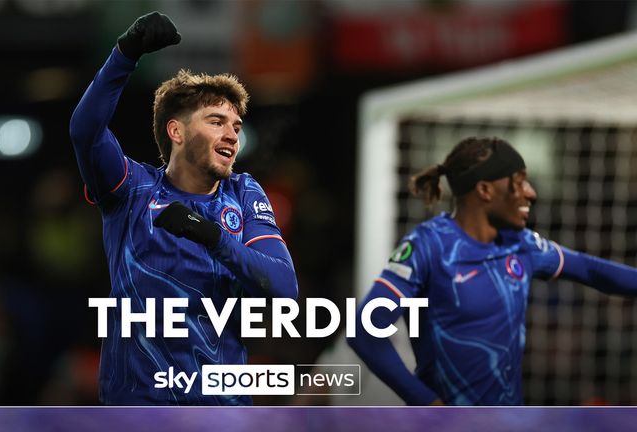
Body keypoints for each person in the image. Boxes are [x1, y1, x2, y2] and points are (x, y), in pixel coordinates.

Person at [69, 12, 298, 405]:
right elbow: (85, 130)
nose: (231, 134)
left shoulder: (243, 194)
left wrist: (211, 236)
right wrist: (125, 53)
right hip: (138, 409)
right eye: (216, 121)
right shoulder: (132, 189)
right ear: (176, 131)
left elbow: (284, 288)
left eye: (236, 126)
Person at [348, 136, 637, 406]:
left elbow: (591, 269)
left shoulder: (521, 244)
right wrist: (427, 404)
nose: (531, 193)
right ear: (485, 189)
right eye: (520, 182)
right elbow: (364, 330)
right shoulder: (429, 245)